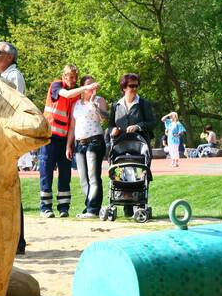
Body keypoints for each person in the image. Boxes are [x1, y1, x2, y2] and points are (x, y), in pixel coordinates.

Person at [40, 65, 99, 218]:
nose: (73, 80)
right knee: (46, 172)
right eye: (70, 77)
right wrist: (85, 86)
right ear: (64, 76)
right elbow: (65, 94)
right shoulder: (56, 86)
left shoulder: (76, 95)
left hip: (65, 139)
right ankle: (45, 207)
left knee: (65, 174)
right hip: (50, 137)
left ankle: (63, 207)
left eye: (75, 77)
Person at [0, 41, 27, 253]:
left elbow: (13, 107)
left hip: (5, 139)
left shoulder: (13, 77)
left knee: (9, 188)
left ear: (9, 57)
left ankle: (17, 241)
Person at [108, 73, 156, 217]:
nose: (134, 89)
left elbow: (152, 123)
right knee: (122, 173)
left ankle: (139, 204)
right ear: (124, 87)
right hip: (121, 147)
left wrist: (138, 126)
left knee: (139, 174)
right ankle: (126, 205)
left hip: (140, 147)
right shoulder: (116, 105)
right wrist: (113, 130)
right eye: (131, 86)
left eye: (136, 86)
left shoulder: (143, 104)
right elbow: (110, 125)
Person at [66, 75, 107, 218]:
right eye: (88, 85)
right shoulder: (76, 104)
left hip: (94, 141)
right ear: (82, 87)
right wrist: (68, 146)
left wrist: (93, 104)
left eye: (93, 85)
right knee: (83, 178)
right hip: (79, 144)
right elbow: (72, 127)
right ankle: (90, 205)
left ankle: (93, 209)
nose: (91, 87)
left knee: (93, 176)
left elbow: (104, 118)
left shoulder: (99, 100)